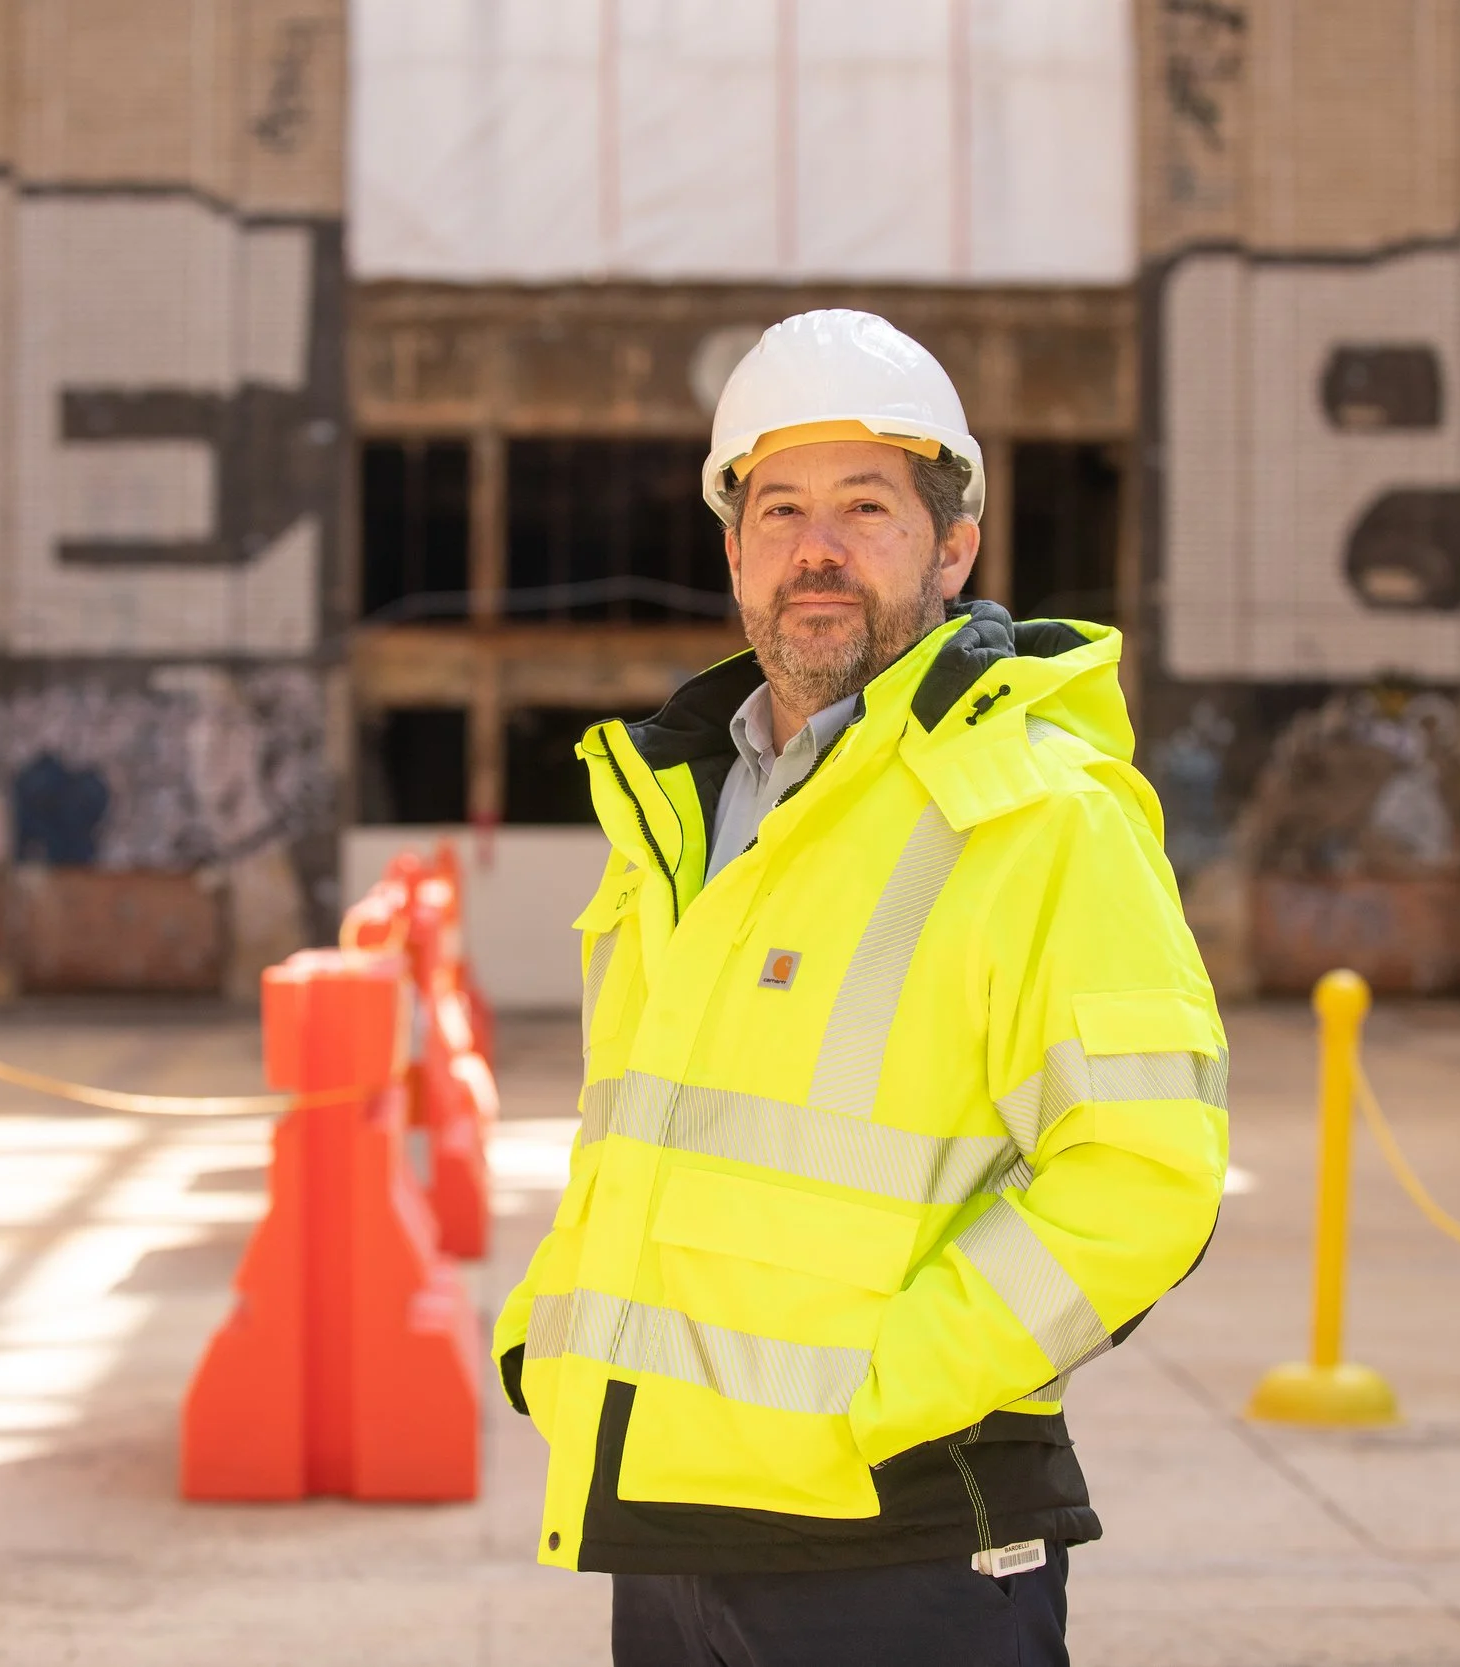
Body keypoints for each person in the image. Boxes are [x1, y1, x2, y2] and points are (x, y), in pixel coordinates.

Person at [494, 309, 1228, 1667]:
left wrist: (885, 1392)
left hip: (901, 1550)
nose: (813, 548)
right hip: (664, 1527)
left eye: (865, 506)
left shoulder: (1042, 815)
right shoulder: (678, 811)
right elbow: (652, 1133)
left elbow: (1147, 1176)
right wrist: (546, 1333)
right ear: (732, 548)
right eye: (778, 507)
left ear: (954, 547)